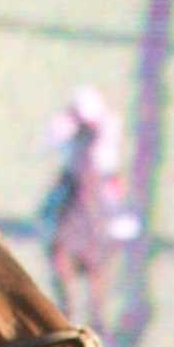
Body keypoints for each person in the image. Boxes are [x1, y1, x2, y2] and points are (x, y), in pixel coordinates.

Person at [38, 84, 139, 323]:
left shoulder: (109, 123)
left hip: (102, 176)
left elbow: (107, 156)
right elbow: (47, 143)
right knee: (50, 207)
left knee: (117, 206)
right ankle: (48, 229)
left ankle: (118, 227)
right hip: (72, 177)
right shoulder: (65, 123)